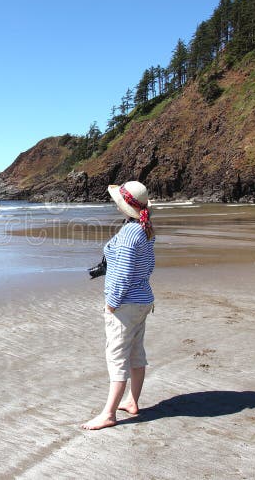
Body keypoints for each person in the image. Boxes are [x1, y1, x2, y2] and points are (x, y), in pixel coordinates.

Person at [82, 180, 156, 430]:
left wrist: (111, 304)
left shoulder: (128, 234)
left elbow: (123, 274)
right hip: (143, 300)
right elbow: (146, 266)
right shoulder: (143, 228)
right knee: (136, 353)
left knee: (117, 357)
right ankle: (132, 402)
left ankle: (109, 414)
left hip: (126, 305)